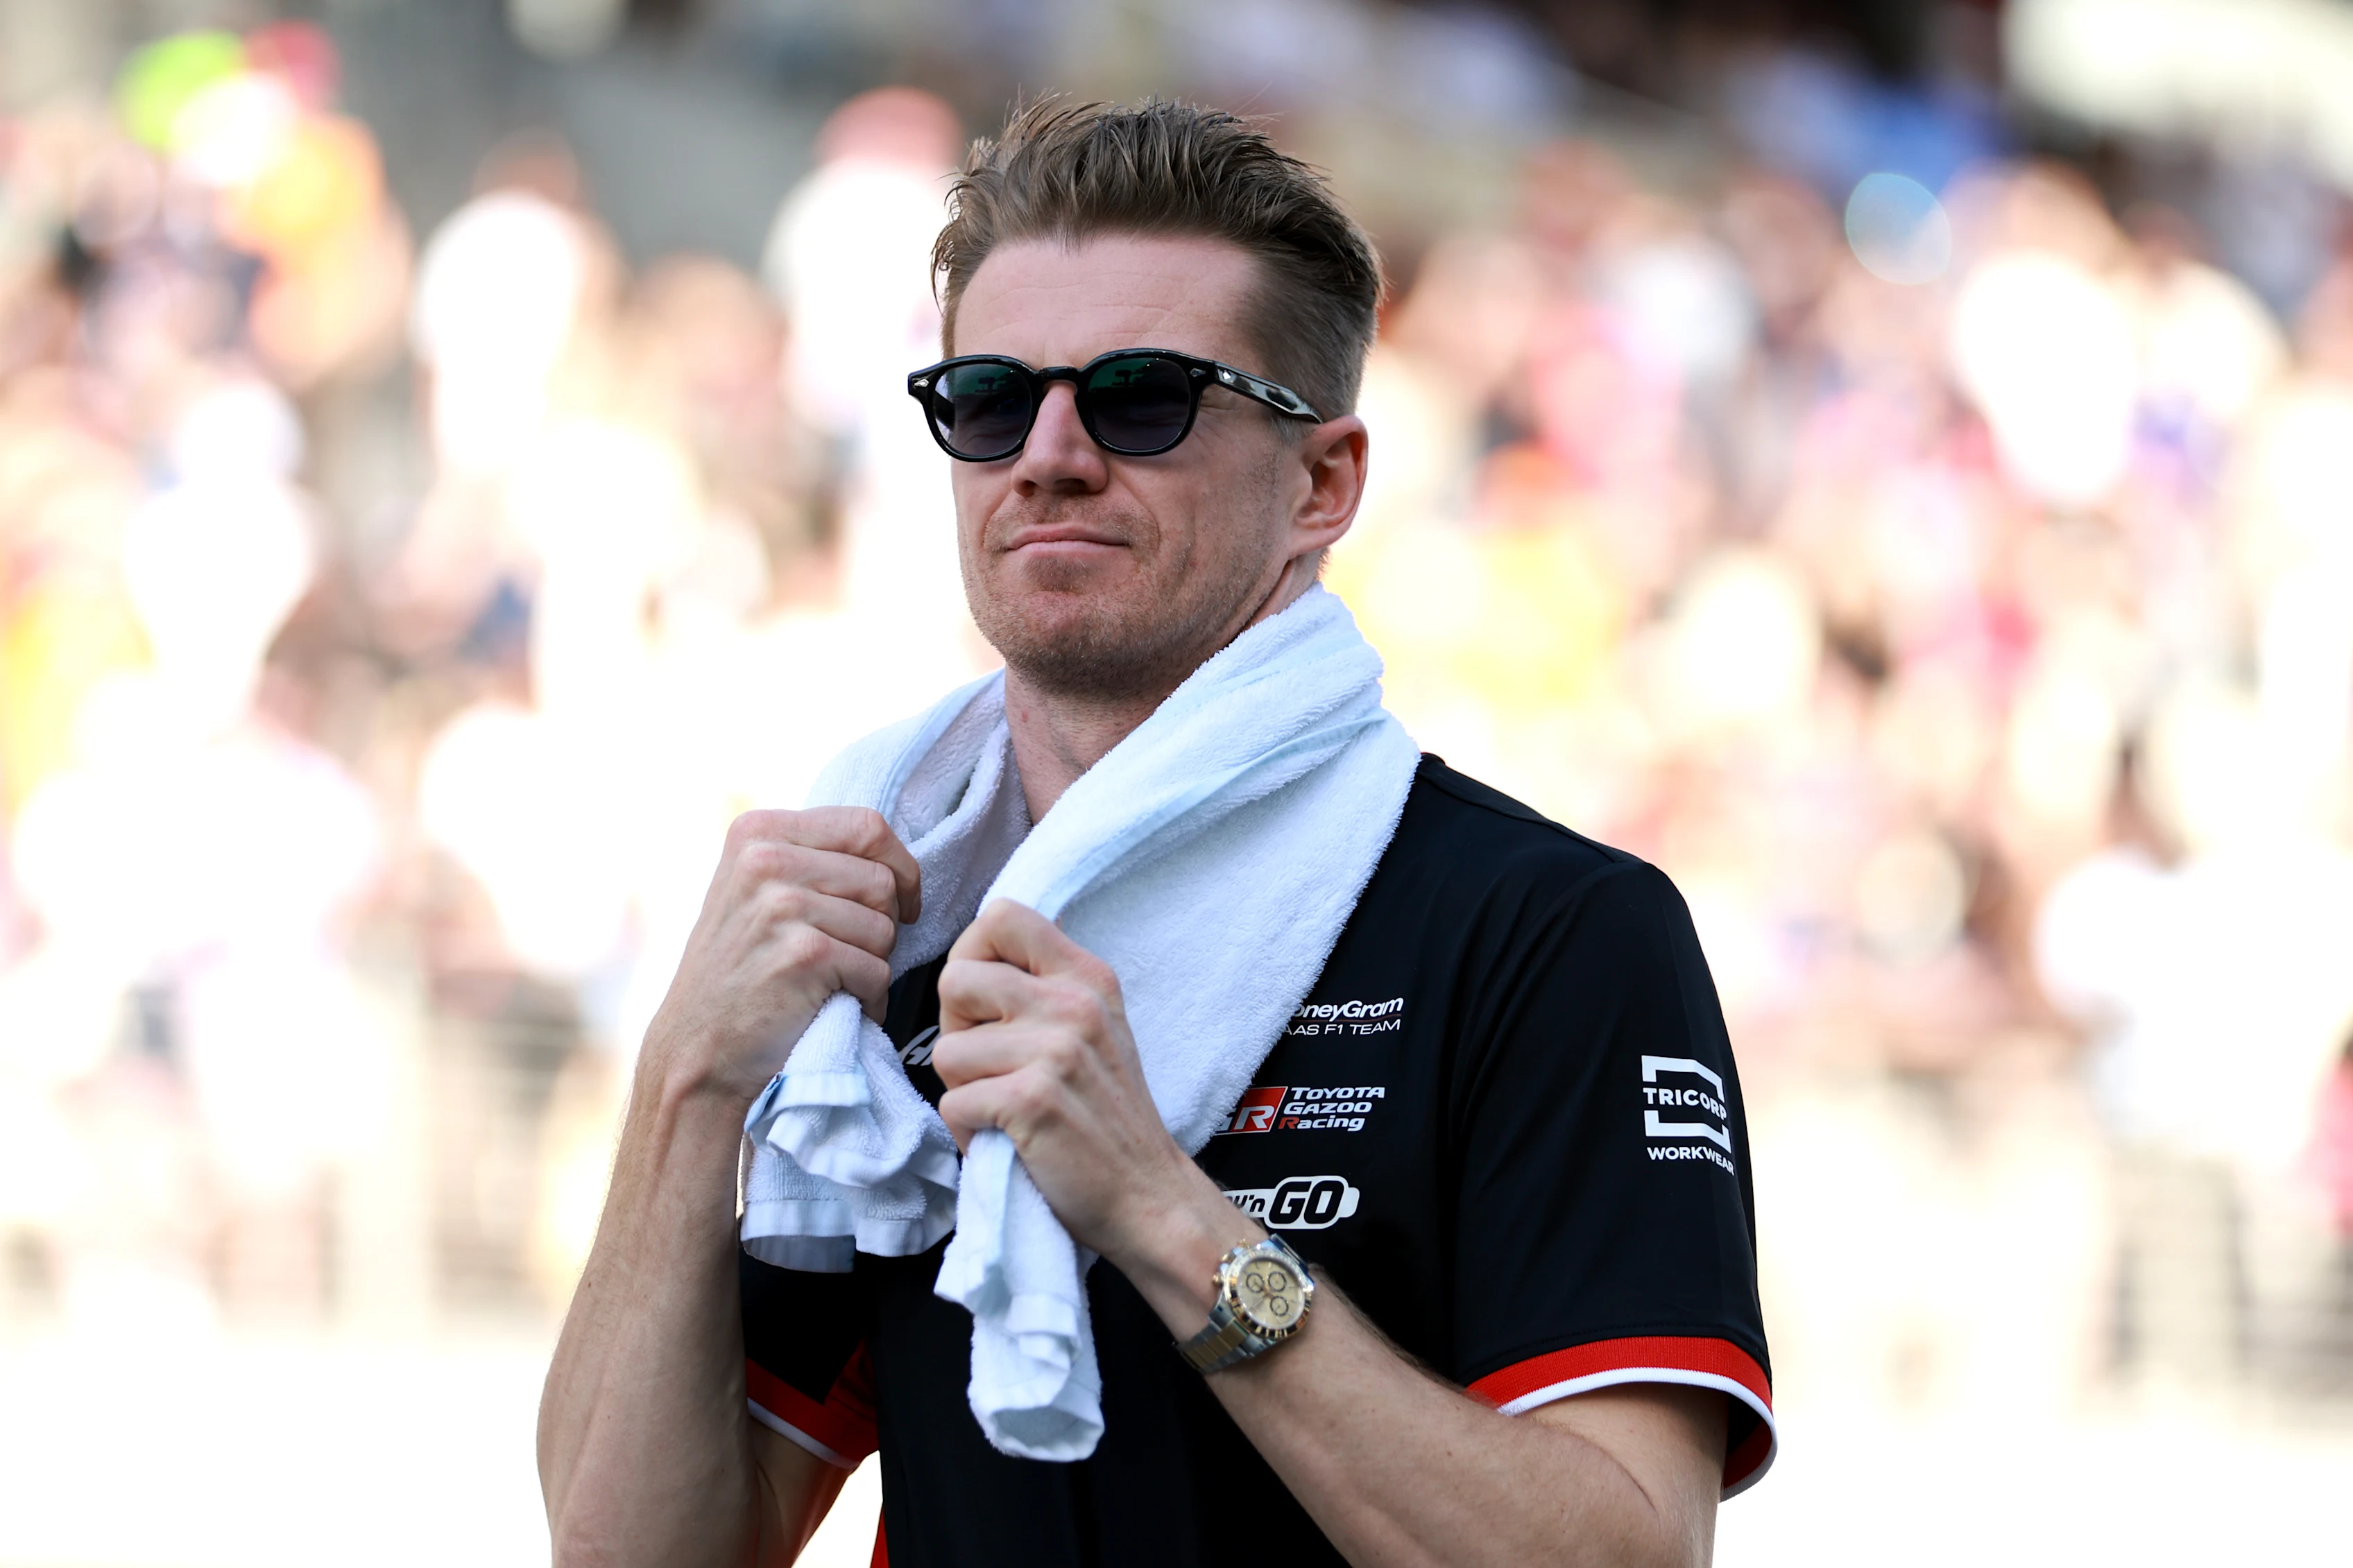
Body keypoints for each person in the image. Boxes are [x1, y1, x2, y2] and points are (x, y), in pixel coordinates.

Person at [538, 99, 1771, 1568]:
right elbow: (640, 1550)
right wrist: (687, 1076)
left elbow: (1628, 1553)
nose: (1048, 453)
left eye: (1142, 397)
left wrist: (1164, 1213)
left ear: (1323, 482)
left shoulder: (1546, 929)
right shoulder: (899, 908)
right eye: (988, 398)